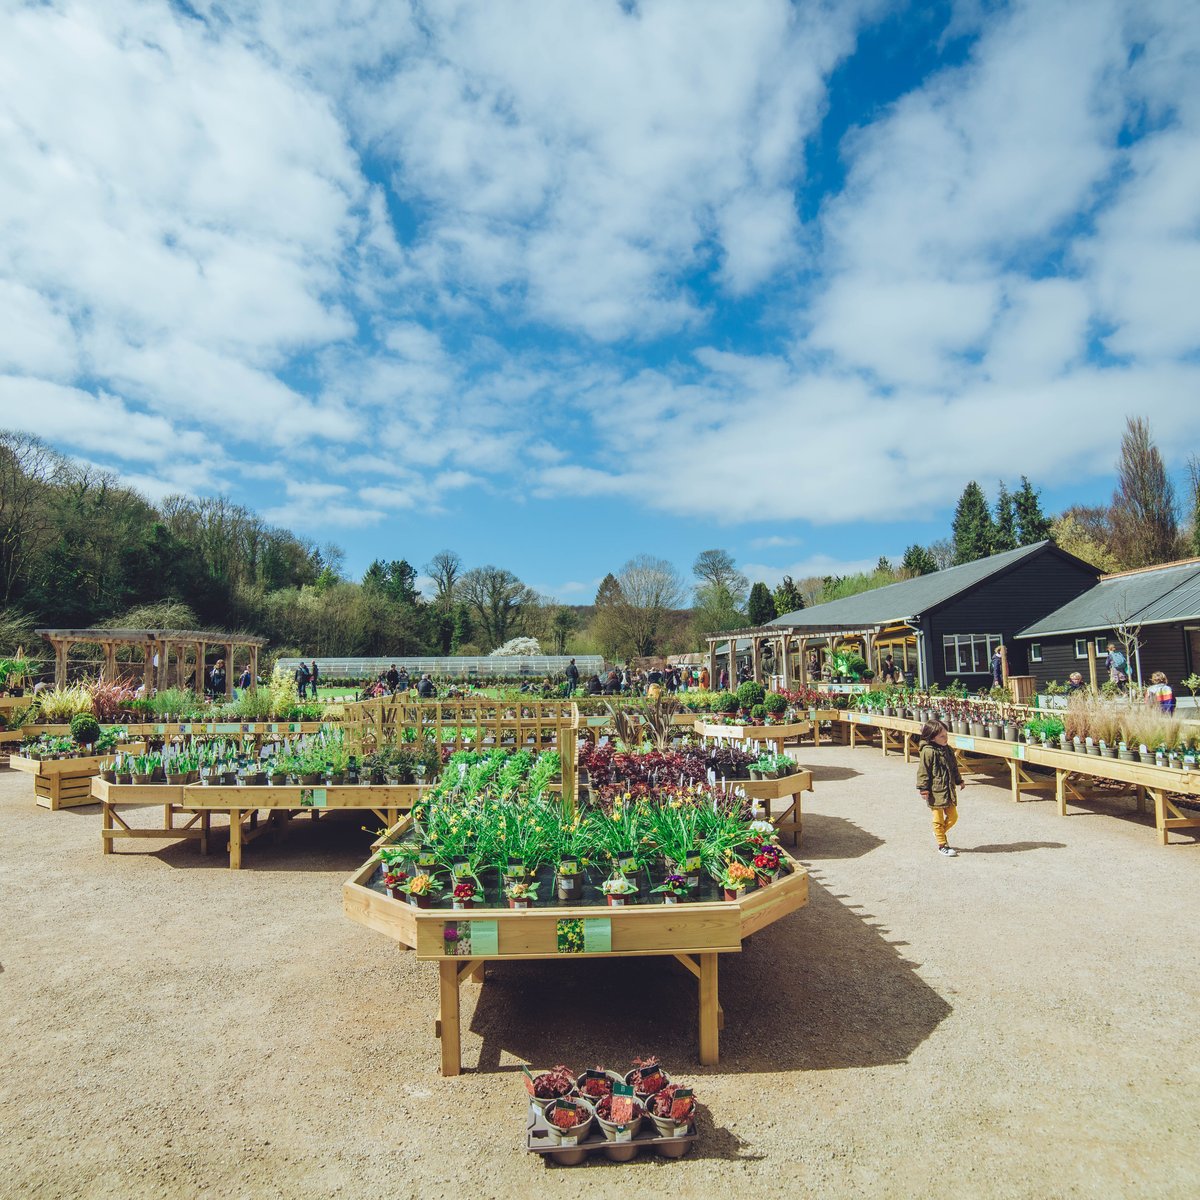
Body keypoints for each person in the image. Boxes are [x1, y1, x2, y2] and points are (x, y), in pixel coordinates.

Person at [916, 718, 966, 858]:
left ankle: (939, 832)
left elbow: (953, 767)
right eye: (942, 736)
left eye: (946, 735)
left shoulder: (948, 749)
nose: (945, 738)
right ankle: (942, 845)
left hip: (948, 789)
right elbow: (923, 771)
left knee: (953, 816)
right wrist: (923, 789)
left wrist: (959, 780)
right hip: (935, 791)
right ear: (932, 737)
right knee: (937, 819)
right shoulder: (928, 751)